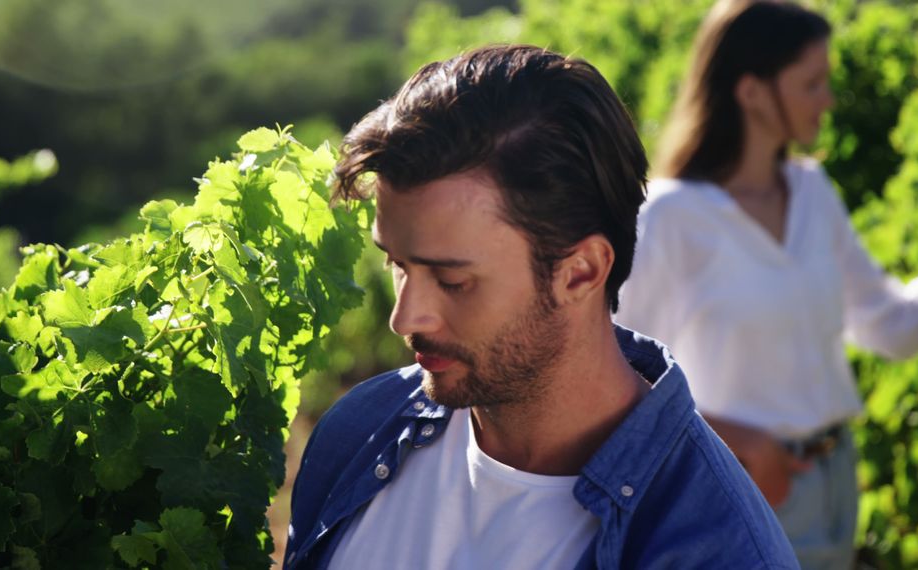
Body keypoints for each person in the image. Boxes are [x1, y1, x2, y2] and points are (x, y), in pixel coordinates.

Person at [283, 45, 799, 569]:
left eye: (452, 280)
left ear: (581, 272)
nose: (406, 317)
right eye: (397, 265)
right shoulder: (356, 433)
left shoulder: (718, 552)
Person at [615, 1, 918, 568]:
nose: (828, 99)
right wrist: (741, 439)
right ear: (753, 91)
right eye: (812, 83)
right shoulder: (670, 216)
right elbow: (621, 372)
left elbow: (896, 327)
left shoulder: (811, 193)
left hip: (834, 479)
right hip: (741, 485)